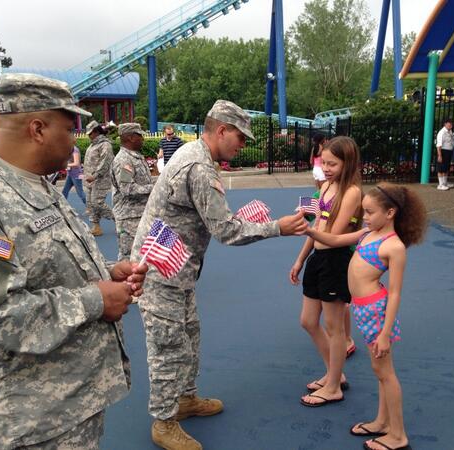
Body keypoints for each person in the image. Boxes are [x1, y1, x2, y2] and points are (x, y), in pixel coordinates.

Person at [0, 73, 148, 450]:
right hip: (23, 427)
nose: (75, 140)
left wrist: (106, 271)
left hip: (61, 409)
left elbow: (42, 261)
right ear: (38, 129)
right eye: (69, 129)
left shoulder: (35, 184)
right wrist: (96, 299)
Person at [130, 100, 308, 450]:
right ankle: (163, 422)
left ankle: (185, 399)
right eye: (240, 138)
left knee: (189, 337)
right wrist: (279, 228)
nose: (242, 145)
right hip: (161, 273)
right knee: (169, 347)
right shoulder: (199, 166)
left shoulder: (196, 156)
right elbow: (226, 231)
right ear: (222, 130)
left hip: (176, 270)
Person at [306, 182, 427, 450]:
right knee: (379, 370)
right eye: (364, 212)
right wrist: (309, 230)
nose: (365, 217)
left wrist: (385, 334)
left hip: (376, 311)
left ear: (391, 213)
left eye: (370, 212)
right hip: (363, 308)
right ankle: (383, 422)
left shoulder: (393, 246)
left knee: (385, 372)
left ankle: (398, 434)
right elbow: (336, 240)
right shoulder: (367, 233)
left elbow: (395, 293)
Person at [290, 136, 362, 407]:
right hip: (317, 259)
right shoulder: (327, 185)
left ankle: (333, 386)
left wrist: (304, 227)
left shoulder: (352, 192)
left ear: (348, 162)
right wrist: (300, 259)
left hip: (335, 260)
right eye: (324, 162)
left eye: (333, 163)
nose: (327, 168)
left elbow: (332, 234)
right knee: (308, 321)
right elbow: (318, 225)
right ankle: (335, 373)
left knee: (334, 328)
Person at [111, 122, 154, 260]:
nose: (143, 139)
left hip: (142, 214)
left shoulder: (135, 156)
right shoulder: (124, 160)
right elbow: (127, 188)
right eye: (140, 135)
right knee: (129, 259)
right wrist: (155, 188)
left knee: (148, 255)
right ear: (130, 138)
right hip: (130, 218)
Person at [84, 119, 115, 236]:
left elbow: (105, 162)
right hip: (89, 180)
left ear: (96, 132)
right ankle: (96, 227)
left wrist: (95, 175)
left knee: (97, 203)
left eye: (90, 133)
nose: (89, 136)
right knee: (91, 204)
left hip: (101, 179)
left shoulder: (105, 145)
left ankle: (117, 219)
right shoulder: (93, 145)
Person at [435, 118, 454, 191]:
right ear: (445, 124)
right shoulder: (442, 132)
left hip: (449, 151)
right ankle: (440, 184)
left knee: (446, 168)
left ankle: (445, 183)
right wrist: (439, 155)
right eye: (449, 124)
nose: (450, 125)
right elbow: (438, 145)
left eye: (451, 124)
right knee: (441, 168)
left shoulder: (450, 131)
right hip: (443, 151)